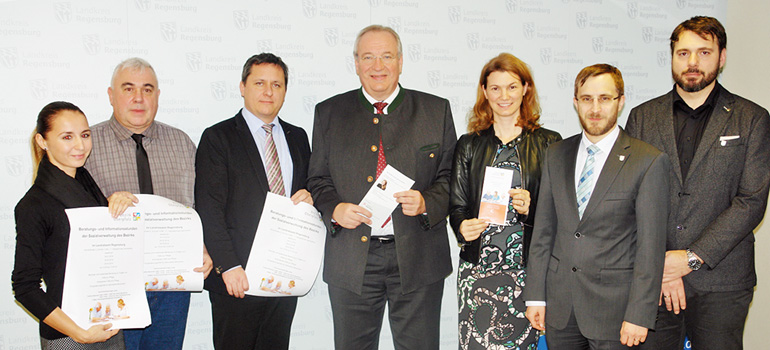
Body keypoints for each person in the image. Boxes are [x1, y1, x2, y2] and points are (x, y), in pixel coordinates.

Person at [307, 25, 457, 350]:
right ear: (356, 63)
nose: (378, 66)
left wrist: (426, 201)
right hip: (352, 258)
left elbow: (452, 180)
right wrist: (334, 208)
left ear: (401, 61)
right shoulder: (329, 113)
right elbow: (317, 180)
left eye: (387, 56)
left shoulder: (435, 110)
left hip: (418, 258)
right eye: (368, 57)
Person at [626, 16, 770, 350]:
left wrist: (690, 259)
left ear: (721, 58)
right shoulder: (642, 117)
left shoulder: (752, 119)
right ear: (672, 57)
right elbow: (630, 198)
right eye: (683, 53)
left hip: (722, 281)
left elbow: (751, 201)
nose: (692, 62)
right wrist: (663, 265)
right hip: (655, 280)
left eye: (704, 53)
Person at [524, 64, 670, 349]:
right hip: (560, 309)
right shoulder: (556, 154)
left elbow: (650, 249)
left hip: (615, 314)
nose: (595, 108)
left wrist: (640, 314)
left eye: (605, 98)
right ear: (576, 102)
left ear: (621, 101)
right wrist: (535, 297)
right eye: (587, 99)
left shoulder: (648, 161)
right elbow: (543, 232)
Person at [85, 57, 213, 350]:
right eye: (128, 89)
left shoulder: (181, 142)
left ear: (157, 95)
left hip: (172, 287)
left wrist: (203, 245)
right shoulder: (87, 144)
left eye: (148, 89)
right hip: (115, 284)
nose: (139, 98)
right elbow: (69, 211)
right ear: (110, 95)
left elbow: (200, 205)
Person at [195, 52, 312, 350]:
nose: (268, 92)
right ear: (242, 87)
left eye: (277, 84)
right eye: (259, 83)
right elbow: (209, 207)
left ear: (285, 91)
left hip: (283, 276)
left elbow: (310, 190)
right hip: (238, 278)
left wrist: (312, 197)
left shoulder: (297, 137)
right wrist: (228, 265)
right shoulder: (218, 137)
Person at [449, 53, 562, 349]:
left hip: (528, 274)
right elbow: (457, 206)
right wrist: (463, 227)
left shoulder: (550, 143)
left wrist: (532, 207)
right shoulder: (469, 144)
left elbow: (561, 211)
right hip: (477, 271)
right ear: (484, 91)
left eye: (512, 87)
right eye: (495, 88)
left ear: (526, 88)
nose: (504, 96)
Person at [12, 101, 136, 349]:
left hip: (108, 325)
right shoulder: (34, 205)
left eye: (85, 135)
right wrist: (79, 333)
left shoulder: (91, 190)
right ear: (42, 141)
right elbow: (25, 287)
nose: (80, 145)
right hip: (69, 335)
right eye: (67, 137)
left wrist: (119, 207)